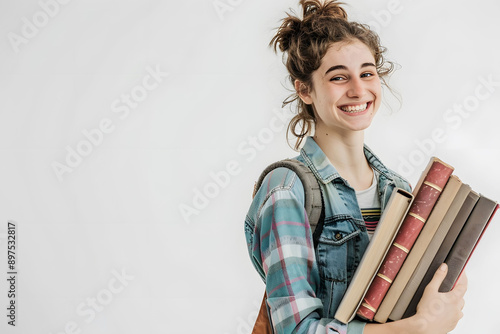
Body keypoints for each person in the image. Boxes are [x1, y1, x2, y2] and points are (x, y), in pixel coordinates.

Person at [243, 1, 467, 333]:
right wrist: (418, 328)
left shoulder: (399, 189)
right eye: (338, 77)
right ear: (304, 89)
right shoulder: (287, 189)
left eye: (366, 73)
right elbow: (297, 330)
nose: (358, 90)